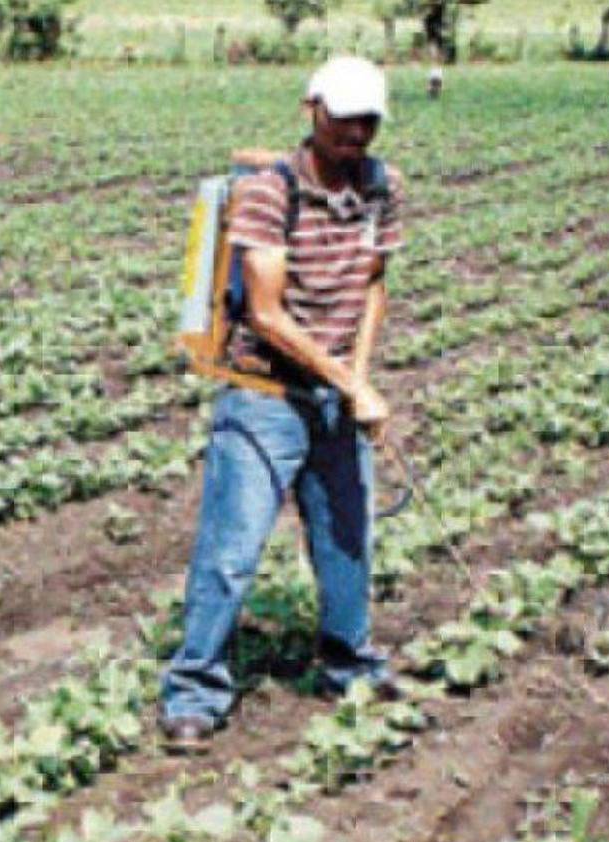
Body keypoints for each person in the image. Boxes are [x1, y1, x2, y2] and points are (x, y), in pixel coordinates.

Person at [160, 57, 405, 754]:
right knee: (231, 551)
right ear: (311, 109)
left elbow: (373, 287)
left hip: (333, 394)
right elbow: (266, 315)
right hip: (263, 394)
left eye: (369, 119)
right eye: (344, 116)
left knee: (347, 542)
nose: (357, 131)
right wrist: (349, 383)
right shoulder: (271, 194)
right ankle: (194, 691)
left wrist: (355, 378)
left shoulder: (382, 187)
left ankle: (347, 663)